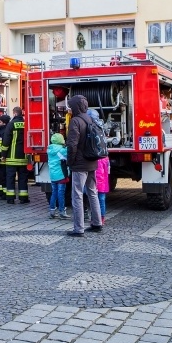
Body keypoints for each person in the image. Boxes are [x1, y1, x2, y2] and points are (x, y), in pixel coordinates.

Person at [65, 95, 103, 237]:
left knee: (77, 195)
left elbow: (72, 144)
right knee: (93, 192)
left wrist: (70, 161)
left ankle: (78, 228)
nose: (70, 109)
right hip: (92, 161)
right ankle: (97, 223)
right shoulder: (90, 119)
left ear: (76, 107)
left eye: (71, 107)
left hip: (79, 163)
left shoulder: (75, 121)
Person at [0, 107, 30, 204]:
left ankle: (10, 198)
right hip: (24, 157)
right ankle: (23, 198)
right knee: (23, 178)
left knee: (10, 178)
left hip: (12, 158)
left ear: (15, 113)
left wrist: (3, 155)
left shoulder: (11, 124)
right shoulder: (26, 124)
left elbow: (6, 141)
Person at [87, 109, 110, 224]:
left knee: (93, 198)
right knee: (101, 199)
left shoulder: (89, 128)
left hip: (95, 175)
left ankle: (95, 217)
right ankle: (101, 217)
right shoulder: (101, 128)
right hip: (103, 176)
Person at [47, 133, 69, 219]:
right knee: (61, 193)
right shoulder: (62, 150)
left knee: (54, 193)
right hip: (61, 175)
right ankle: (62, 211)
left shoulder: (49, 149)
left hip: (53, 175)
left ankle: (52, 211)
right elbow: (68, 154)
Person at [0, 114, 11, 200]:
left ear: (4, 123)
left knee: (2, 177)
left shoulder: (4, 132)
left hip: (2, 159)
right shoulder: (2, 131)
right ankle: (0, 192)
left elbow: (2, 147)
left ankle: (4, 194)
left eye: (0, 122)